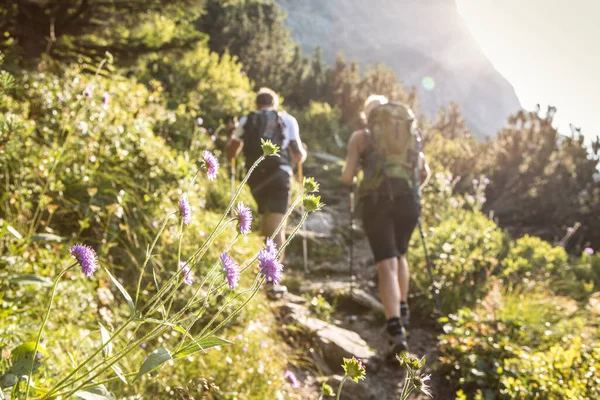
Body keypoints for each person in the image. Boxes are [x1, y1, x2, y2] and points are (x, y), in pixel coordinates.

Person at [341, 95, 430, 356]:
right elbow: (423, 172)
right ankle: (402, 310)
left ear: (368, 115)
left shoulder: (361, 136)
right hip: (409, 202)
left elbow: (347, 176)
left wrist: (358, 176)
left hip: (377, 202)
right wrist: (409, 191)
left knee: (386, 264)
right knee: (400, 255)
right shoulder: (408, 134)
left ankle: (394, 332)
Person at [226, 88, 307, 292]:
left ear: (256, 104)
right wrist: (302, 151)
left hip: (256, 178)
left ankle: (264, 273)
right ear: (275, 103)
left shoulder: (247, 120)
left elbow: (231, 151)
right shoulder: (287, 120)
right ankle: (272, 280)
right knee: (277, 224)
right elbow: (298, 156)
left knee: (265, 220)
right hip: (279, 174)